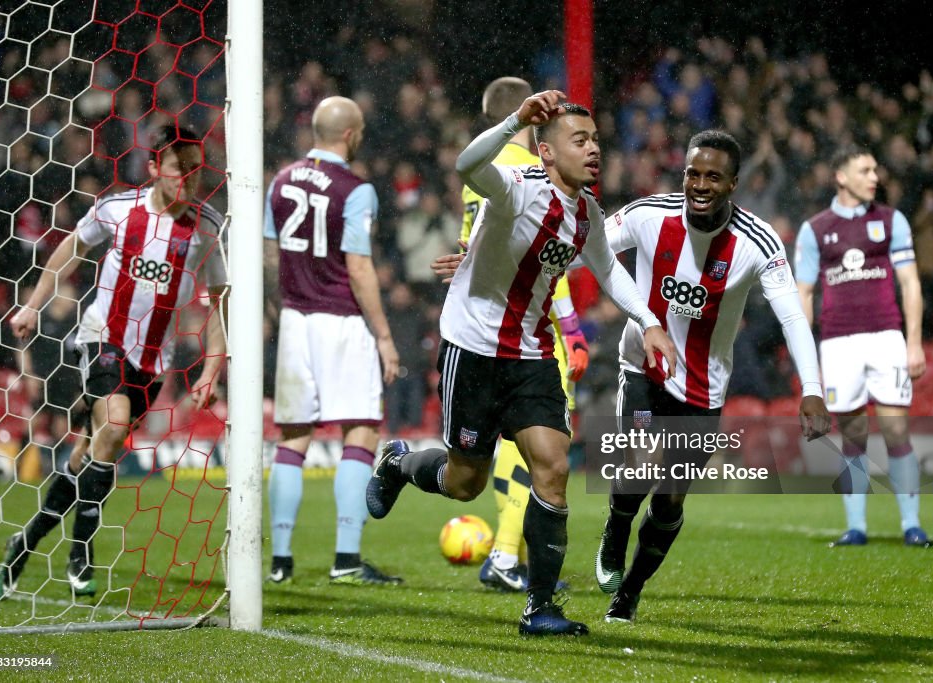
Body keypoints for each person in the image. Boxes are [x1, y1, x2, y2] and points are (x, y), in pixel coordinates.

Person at [367, 90, 674, 636]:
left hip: (531, 353)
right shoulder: (515, 189)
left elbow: (609, 272)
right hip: (474, 350)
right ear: (546, 152)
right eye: (579, 140)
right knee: (464, 483)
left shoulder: (587, 213)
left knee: (553, 467)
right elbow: (467, 164)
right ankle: (397, 463)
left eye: (597, 140)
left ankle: (540, 608)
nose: (594, 149)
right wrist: (515, 118)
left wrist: (649, 322)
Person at [591, 130, 831, 624]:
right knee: (638, 462)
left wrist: (811, 389)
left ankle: (630, 593)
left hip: (703, 387)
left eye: (713, 177)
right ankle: (615, 529)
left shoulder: (758, 241)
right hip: (643, 365)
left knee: (671, 494)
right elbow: (585, 247)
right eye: (692, 174)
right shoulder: (647, 214)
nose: (700, 184)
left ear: (733, 184)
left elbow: (791, 318)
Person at [0, 125, 227, 599]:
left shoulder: (207, 227)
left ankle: (25, 541)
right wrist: (34, 304)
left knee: (89, 455)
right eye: (178, 170)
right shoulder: (120, 209)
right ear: (156, 169)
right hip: (104, 338)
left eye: (195, 172)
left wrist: (211, 368)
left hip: (153, 360)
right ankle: (81, 553)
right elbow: (72, 247)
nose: (187, 180)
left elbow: (219, 300)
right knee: (115, 426)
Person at [263, 96, 401, 586]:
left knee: (293, 438)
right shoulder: (356, 189)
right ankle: (346, 557)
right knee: (361, 429)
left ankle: (280, 560)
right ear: (350, 134)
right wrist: (384, 336)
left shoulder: (280, 181)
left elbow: (267, 254)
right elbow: (360, 268)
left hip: (297, 320)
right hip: (342, 320)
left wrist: (276, 306)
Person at [460, 77, 587, 593]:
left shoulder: (480, 174)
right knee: (539, 443)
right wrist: (573, 327)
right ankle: (507, 556)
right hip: (535, 327)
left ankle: (509, 553)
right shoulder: (529, 170)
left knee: (503, 444)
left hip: (486, 324)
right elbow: (538, 261)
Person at [794, 146, 931, 548]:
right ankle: (856, 526)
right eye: (865, 169)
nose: (875, 176)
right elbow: (803, 293)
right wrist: (806, 359)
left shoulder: (891, 220)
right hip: (837, 343)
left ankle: (911, 524)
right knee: (853, 435)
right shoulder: (816, 229)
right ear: (841, 176)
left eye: (875, 169)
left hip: (886, 337)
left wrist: (915, 343)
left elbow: (910, 283)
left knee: (895, 428)